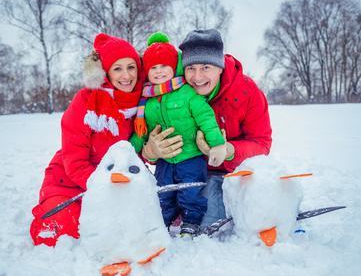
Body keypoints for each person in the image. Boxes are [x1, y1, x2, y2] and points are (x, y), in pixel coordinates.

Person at [139, 29, 272, 229]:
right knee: (195, 218)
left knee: (222, 218)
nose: (197, 76)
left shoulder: (247, 91)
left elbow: (262, 144)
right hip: (192, 170)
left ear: (220, 67)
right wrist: (150, 152)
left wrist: (227, 150)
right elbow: (147, 134)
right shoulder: (171, 92)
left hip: (234, 171)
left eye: (206, 67)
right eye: (190, 67)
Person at [30, 33, 146, 247]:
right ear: (105, 73)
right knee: (62, 233)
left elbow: (138, 151)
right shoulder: (86, 100)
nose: (126, 75)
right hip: (70, 182)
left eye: (131, 67)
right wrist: (105, 187)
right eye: (117, 68)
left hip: (117, 184)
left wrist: (151, 153)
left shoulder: (143, 102)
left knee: (130, 229)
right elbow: (74, 162)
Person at [129, 32, 226, 237]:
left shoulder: (187, 92)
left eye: (164, 66)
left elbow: (206, 117)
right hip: (164, 160)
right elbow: (142, 130)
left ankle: (191, 220)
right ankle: (163, 218)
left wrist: (217, 144)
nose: (159, 71)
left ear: (175, 66)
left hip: (190, 156)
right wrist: (130, 150)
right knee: (163, 191)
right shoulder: (147, 100)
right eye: (153, 67)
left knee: (190, 192)